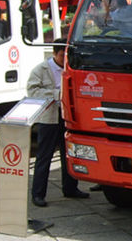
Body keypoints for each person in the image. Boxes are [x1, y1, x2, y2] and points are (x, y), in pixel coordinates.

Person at [27, 38, 89, 207]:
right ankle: (38, 193)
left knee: (68, 154)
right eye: (62, 55)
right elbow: (33, 91)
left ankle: (70, 188)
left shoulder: (72, 68)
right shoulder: (41, 69)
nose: (65, 59)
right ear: (54, 53)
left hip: (68, 117)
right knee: (44, 156)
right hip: (49, 119)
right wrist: (57, 94)